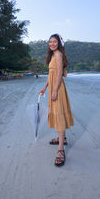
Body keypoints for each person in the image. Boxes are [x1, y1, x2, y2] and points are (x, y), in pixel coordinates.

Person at [39, 34, 74, 167]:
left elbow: (59, 73)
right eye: (50, 42)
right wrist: (45, 87)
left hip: (57, 88)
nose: (52, 44)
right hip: (53, 86)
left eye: (54, 42)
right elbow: (51, 74)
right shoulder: (52, 55)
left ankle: (61, 150)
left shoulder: (58, 54)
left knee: (59, 113)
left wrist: (54, 90)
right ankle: (62, 138)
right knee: (57, 112)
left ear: (59, 43)